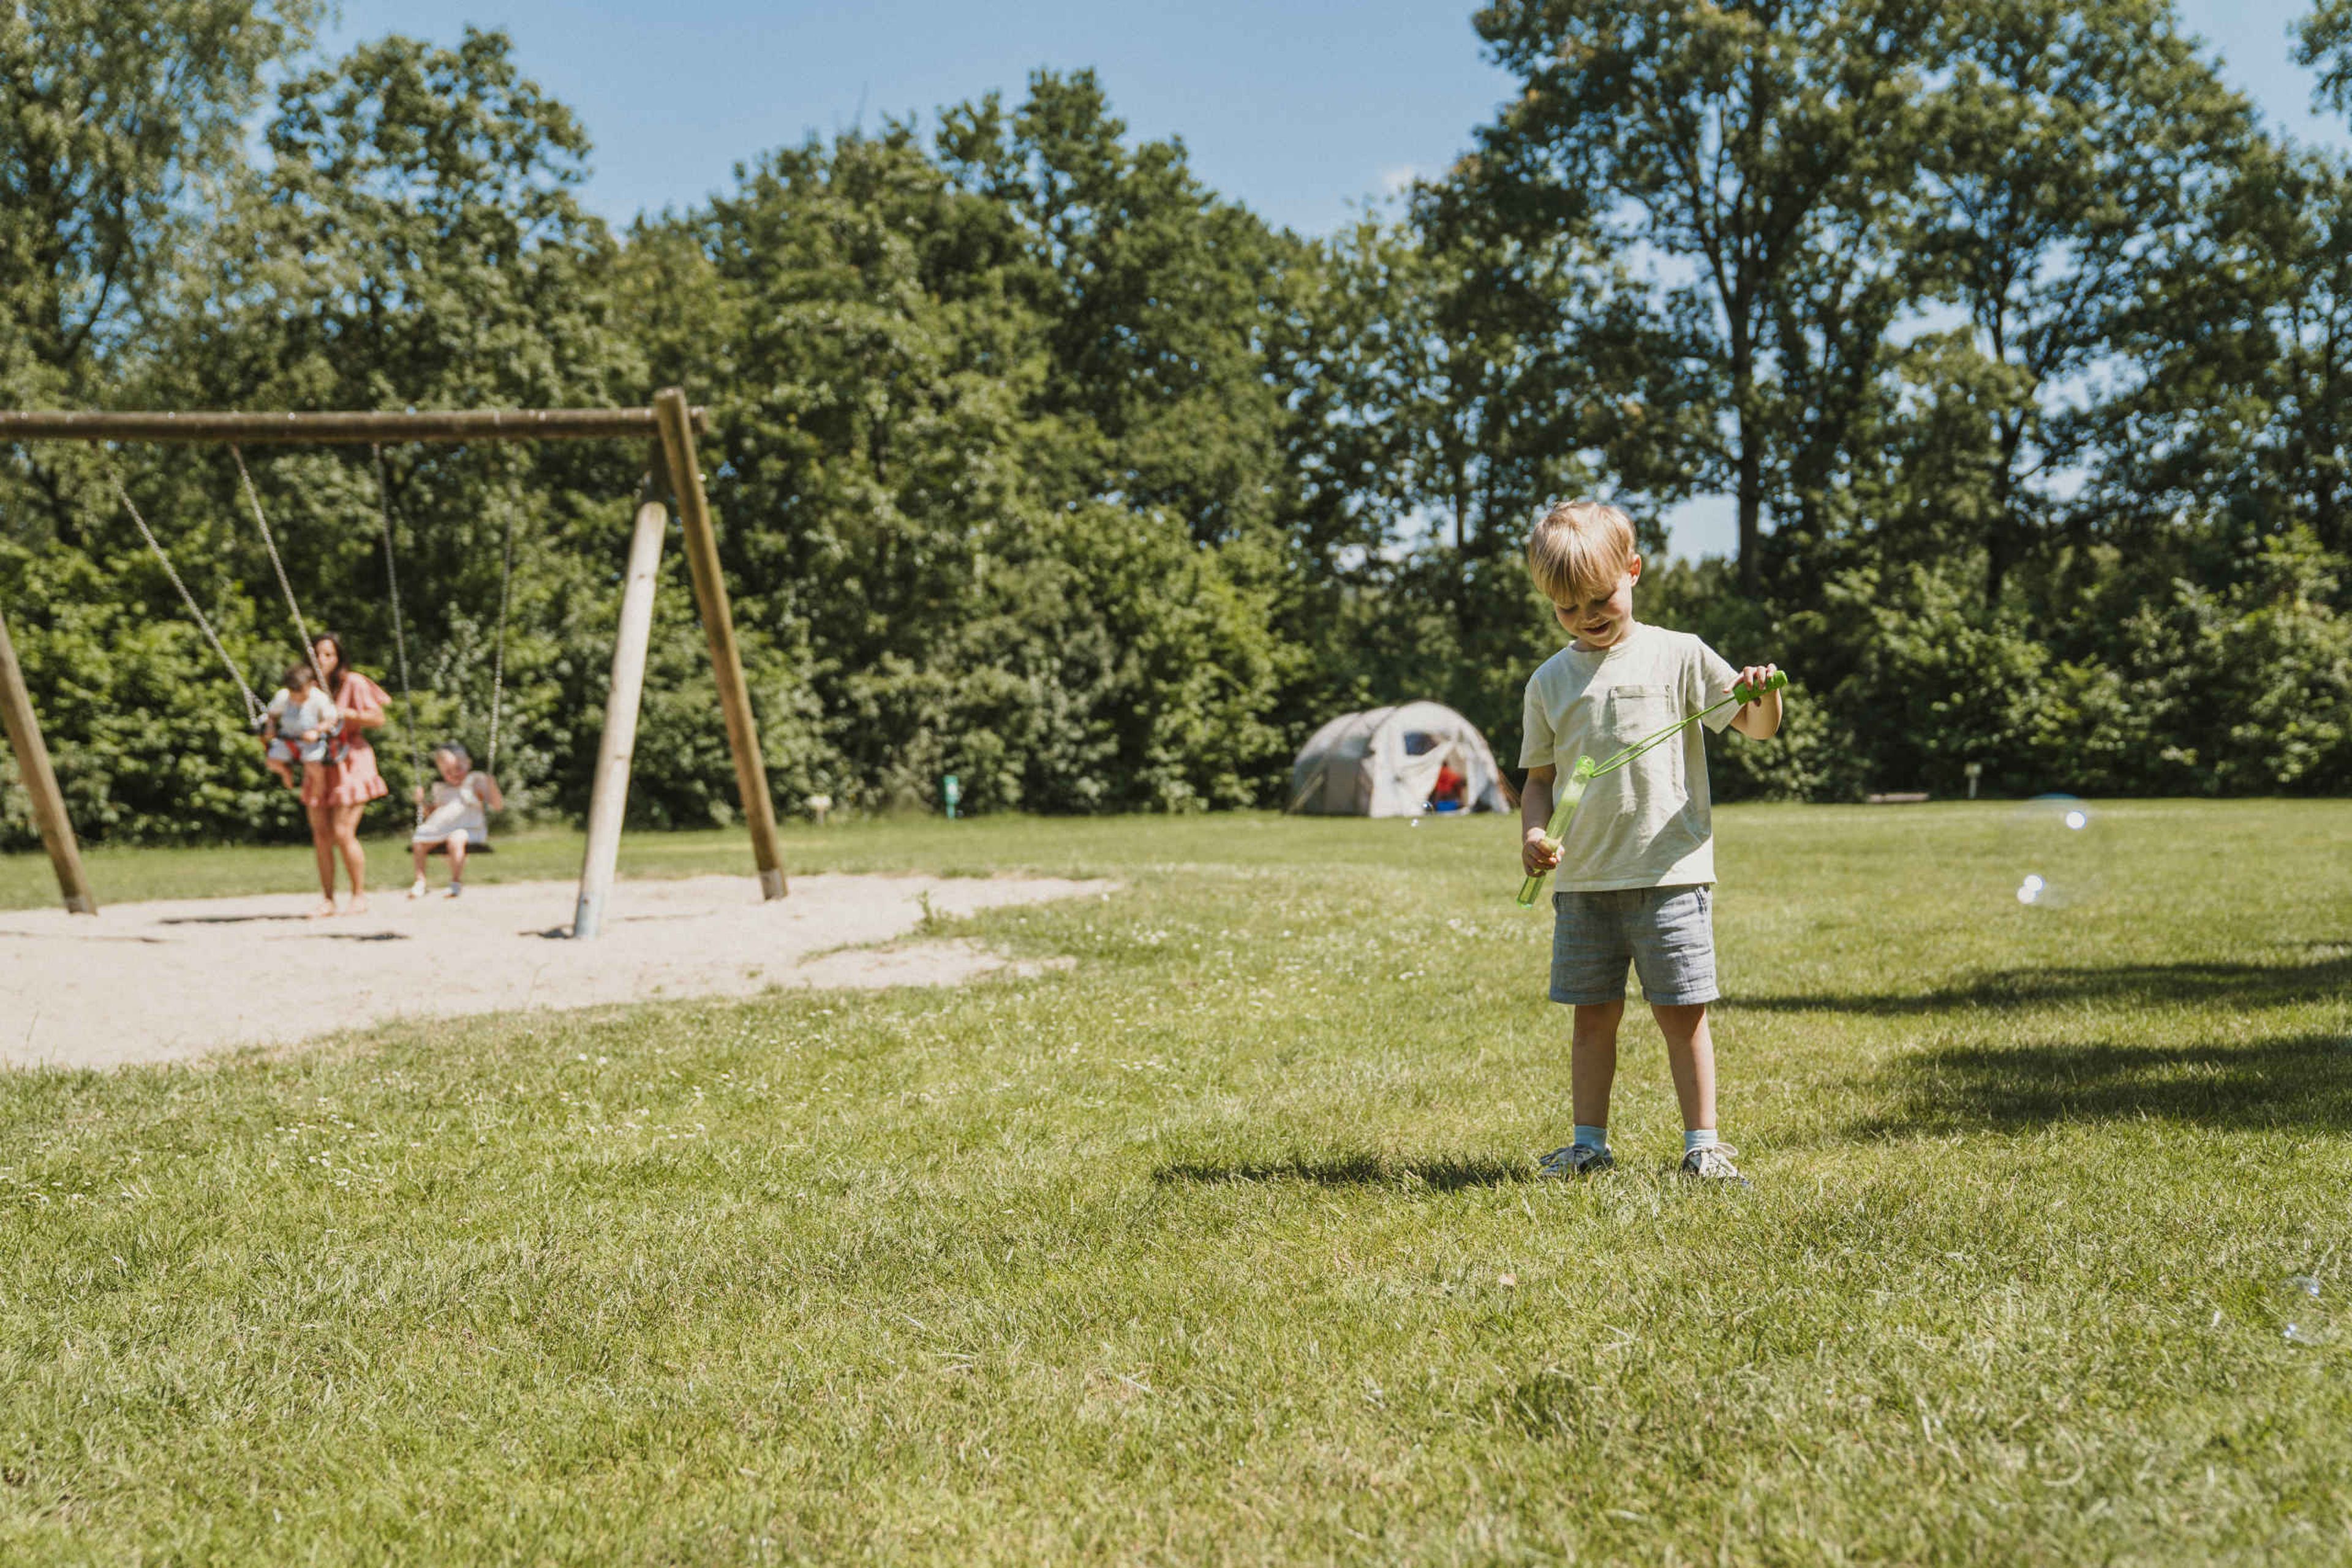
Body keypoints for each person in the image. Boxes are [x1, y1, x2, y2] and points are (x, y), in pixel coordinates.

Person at [1516, 500, 1782, 1185]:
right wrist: (1535, 832)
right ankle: (1588, 1144)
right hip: (1586, 883)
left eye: (1600, 599)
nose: (1588, 617)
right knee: (1591, 1020)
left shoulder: (1680, 653)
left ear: (1633, 571)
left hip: (1671, 873)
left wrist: (1763, 693)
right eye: (1567, 608)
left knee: (1682, 1017)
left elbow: (1758, 728)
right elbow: (1538, 780)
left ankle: (1703, 1146)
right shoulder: (1548, 682)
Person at [303, 633, 390, 918]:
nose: (322, 660)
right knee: (321, 835)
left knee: (342, 832)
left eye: (328, 654)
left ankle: (358, 896)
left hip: (351, 761)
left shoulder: (353, 682)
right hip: (319, 762)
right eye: (317, 654)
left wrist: (344, 713)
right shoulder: (307, 688)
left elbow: (378, 718)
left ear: (338, 658)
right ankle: (328, 899)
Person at [409, 742, 504, 900]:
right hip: (443, 829)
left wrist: (492, 786)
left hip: (470, 829)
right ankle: (420, 881)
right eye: (448, 771)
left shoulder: (475, 782)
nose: (454, 774)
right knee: (418, 840)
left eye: (458, 769)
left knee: (456, 838)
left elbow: (498, 805)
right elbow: (434, 815)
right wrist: (421, 802)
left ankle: (456, 882)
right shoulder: (441, 788)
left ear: (468, 764)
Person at [258, 660, 339, 794]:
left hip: (312, 741)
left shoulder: (319, 698)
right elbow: (272, 715)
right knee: (271, 762)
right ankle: (285, 772)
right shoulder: (283, 696)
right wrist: (271, 727)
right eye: (293, 696)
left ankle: (320, 790)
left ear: (312, 685)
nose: (296, 700)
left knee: (313, 766)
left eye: (301, 696)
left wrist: (316, 731)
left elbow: (331, 720)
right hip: (288, 738)